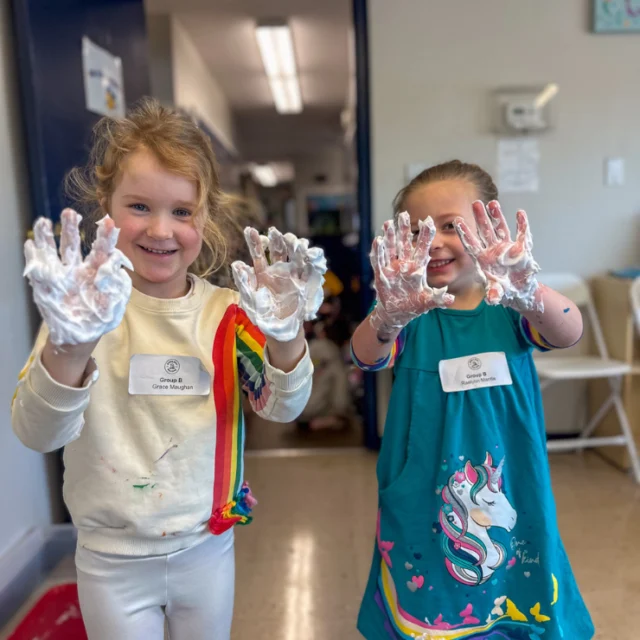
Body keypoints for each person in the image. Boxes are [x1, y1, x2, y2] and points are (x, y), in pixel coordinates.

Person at [11, 98, 326, 640]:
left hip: (206, 546)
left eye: (182, 211)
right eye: (139, 206)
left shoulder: (225, 312)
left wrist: (287, 334)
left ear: (205, 219)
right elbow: (36, 433)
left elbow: (283, 405)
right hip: (112, 556)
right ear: (104, 207)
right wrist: (71, 348)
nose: (161, 228)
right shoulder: (84, 312)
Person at [350, 160, 594, 639]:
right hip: (424, 482)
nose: (435, 240)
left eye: (451, 226)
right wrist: (388, 317)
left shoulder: (512, 305)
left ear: (488, 228)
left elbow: (570, 330)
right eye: (420, 230)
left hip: (509, 481)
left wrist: (529, 291)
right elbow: (364, 356)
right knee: (427, 590)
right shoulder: (409, 311)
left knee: (512, 589)